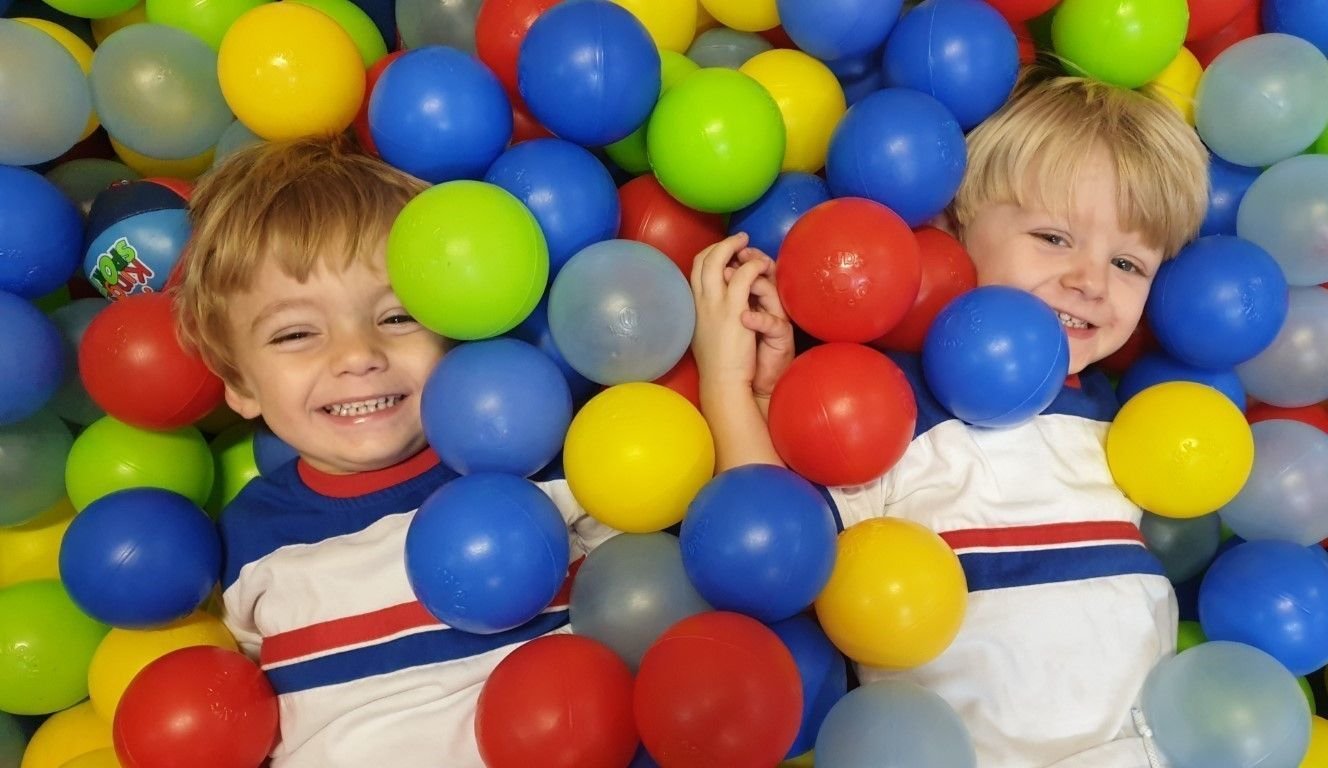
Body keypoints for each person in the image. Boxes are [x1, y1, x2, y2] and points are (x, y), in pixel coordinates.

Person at [690, 66, 1210, 768]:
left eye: (1127, 263)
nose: (1090, 280)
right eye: (1053, 238)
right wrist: (734, 380)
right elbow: (771, 543)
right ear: (952, 224)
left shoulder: (1122, 423)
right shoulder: (894, 405)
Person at [172, 135, 617, 768]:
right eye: (296, 333)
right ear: (239, 382)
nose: (357, 355)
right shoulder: (245, 542)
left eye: (399, 317)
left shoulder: (530, 466)